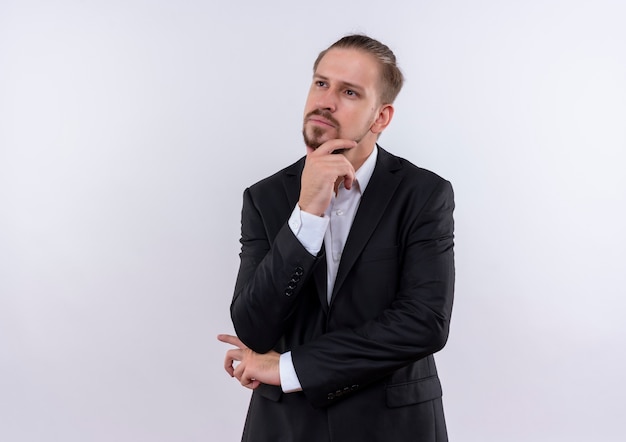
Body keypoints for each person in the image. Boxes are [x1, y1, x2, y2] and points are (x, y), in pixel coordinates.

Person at [218, 34, 455, 442]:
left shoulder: (423, 194)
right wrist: (307, 212)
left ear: (380, 118)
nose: (326, 100)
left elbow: (424, 323)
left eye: (349, 92)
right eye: (321, 83)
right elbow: (253, 327)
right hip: (285, 427)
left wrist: (290, 368)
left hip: (394, 426)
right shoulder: (264, 197)